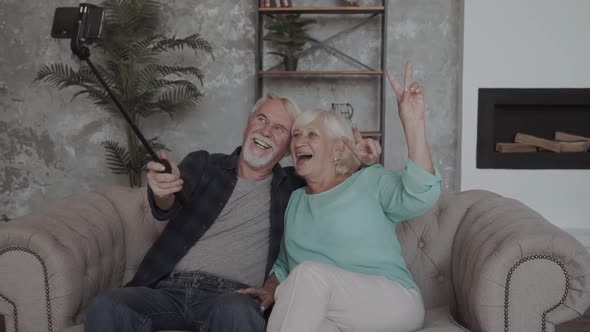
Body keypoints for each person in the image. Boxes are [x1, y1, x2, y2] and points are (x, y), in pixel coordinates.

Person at [84, 92, 381, 332]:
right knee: (108, 305)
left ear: (289, 148)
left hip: (233, 297)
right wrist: (162, 192)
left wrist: (359, 161)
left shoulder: (294, 185)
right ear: (248, 123)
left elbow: (340, 186)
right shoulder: (204, 164)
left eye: (279, 129)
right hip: (169, 290)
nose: (266, 131)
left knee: (237, 313)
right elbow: (168, 202)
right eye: (261, 119)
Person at [239, 61, 442, 332]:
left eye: (312, 134)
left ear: (337, 151)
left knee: (309, 275)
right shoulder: (295, 201)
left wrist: (413, 123)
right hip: (332, 311)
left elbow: (421, 195)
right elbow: (285, 263)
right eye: (296, 134)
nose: (299, 141)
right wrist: (271, 289)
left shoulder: (369, 180)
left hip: (392, 302)